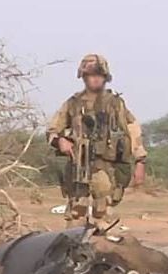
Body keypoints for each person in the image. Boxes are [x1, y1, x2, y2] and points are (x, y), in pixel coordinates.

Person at [46, 54, 147, 230]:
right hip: (78, 167)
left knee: (103, 216)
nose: (94, 78)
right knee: (76, 216)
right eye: (90, 75)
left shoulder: (115, 104)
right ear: (83, 77)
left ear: (105, 77)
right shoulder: (72, 104)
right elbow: (52, 130)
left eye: (98, 75)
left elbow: (133, 131)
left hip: (106, 168)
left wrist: (140, 161)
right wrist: (60, 140)